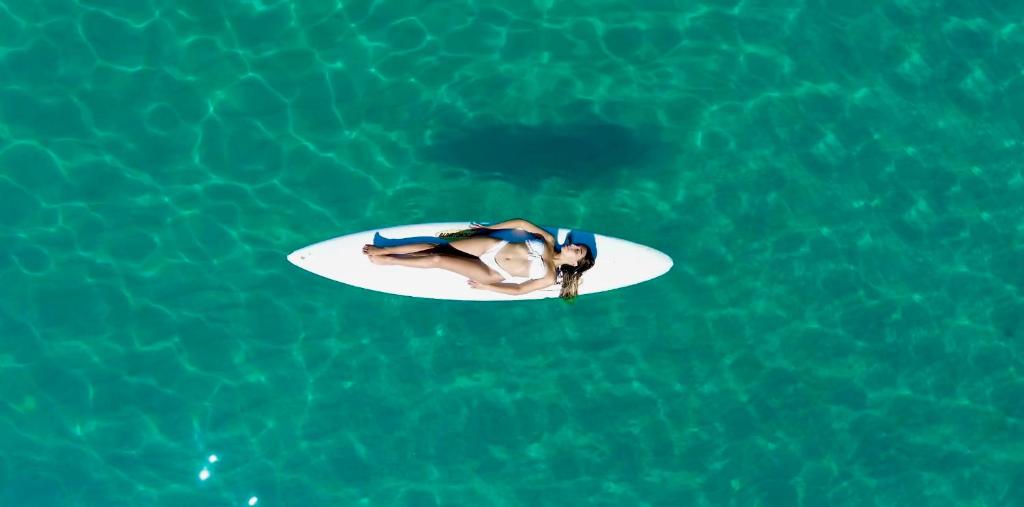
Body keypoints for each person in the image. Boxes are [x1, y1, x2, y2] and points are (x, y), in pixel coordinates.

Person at [361, 218, 595, 302]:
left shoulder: (550, 277)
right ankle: (384, 250)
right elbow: (521, 223)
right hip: (492, 245)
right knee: (437, 246)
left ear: (574, 264)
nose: (574, 246)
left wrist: (488, 287)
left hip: (493, 273)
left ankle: (389, 259)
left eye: (578, 251)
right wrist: (488, 229)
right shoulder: (549, 240)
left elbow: (519, 290)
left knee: (438, 259)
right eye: (578, 245)